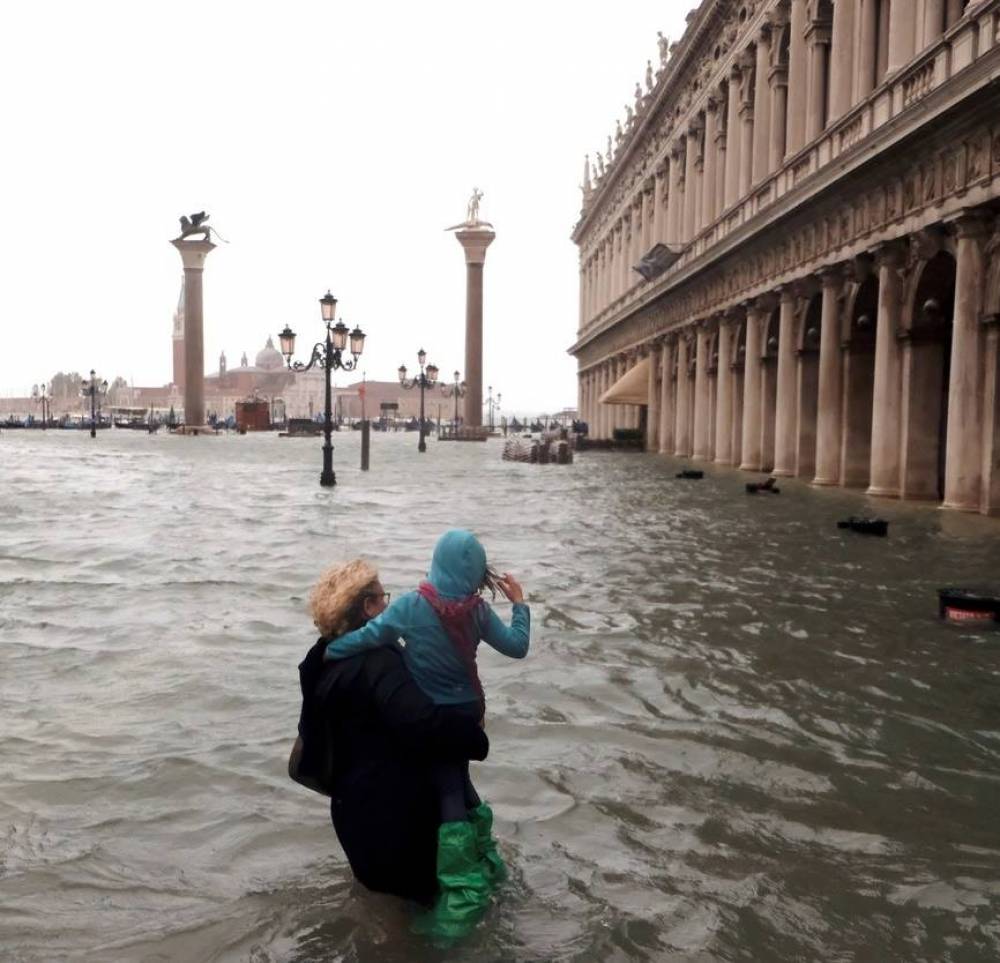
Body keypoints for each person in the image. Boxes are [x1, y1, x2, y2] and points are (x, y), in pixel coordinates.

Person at [322, 530, 530, 933]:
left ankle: (460, 897)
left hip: (435, 718)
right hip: (470, 712)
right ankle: (489, 863)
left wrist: (330, 651)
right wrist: (519, 605)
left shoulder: (412, 606)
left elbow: (370, 636)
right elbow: (517, 646)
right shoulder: (478, 612)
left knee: (449, 787)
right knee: (464, 784)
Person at [292, 559, 490, 907]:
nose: (388, 605)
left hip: (352, 816)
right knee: (422, 922)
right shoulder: (378, 663)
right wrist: (476, 737)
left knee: (382, 916)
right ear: (368, 608)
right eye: (383, 597)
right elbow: (425, 724)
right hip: (396, 823)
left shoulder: (320, 660)